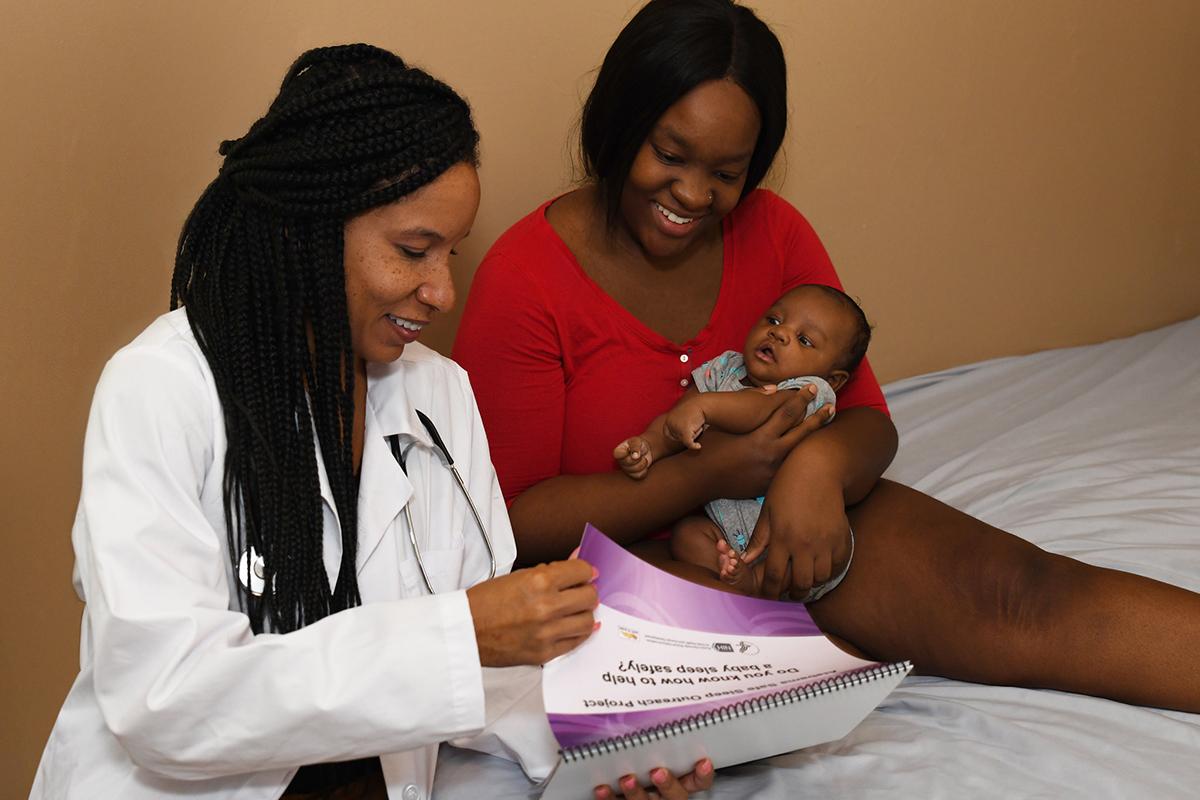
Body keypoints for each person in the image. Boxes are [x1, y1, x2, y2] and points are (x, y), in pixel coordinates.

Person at [453, 0, 1200, 714]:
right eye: (670, 155)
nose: (693, 194)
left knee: (1018, 596)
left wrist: (814, 472)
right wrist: (709, 473)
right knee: (794, 680)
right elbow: (512, 524)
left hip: (788, 523)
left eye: (727, 173)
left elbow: (868, 421)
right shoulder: (525, 277)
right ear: (619, 122)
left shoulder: (773, 232)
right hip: (618, 571)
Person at [31, 45, 712, 800]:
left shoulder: (439, 394)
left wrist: (613, 756)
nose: (442, 291)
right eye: (414, 251)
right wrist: (458, 636)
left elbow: (488, 677)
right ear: (308, 229)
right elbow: (165, 702)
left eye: (451, 253)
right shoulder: (161, 389)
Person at [612, 284, 870, 595]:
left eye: (804, 340)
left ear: (833, 378)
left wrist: (705, 407)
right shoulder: (724, 368)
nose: (779, 333)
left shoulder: (811, 390)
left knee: (830, 552)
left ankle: (760, 580)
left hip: (793, 534)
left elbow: (759, 409)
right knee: (686, 536)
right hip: (725, 531)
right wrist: (651, 444)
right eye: (774, 320)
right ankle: (742, 584)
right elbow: (679, 419)